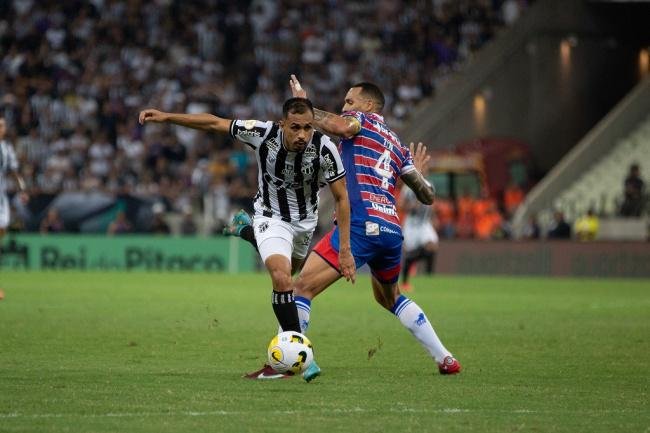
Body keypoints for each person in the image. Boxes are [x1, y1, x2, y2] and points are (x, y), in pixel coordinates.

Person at [237, 77, 460, 378]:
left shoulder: (360, 121)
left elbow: (341, 127)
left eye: (349, 102)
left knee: (301, 287)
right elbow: (428, 195)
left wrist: (305, 109)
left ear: (369, 106)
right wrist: (419, 176)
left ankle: (285, 364)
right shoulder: (396, 143)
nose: (345, 108)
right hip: (391, 230)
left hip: (360, 223)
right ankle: (445, 358)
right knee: (389, 297)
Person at [139, 98, 355, 381]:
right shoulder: (262, 133)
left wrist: (345, 250)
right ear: (282, 125)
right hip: (270, 216)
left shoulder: (325, 148)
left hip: (305, 223)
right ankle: (300, 357)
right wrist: (167, 117)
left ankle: (245, 231)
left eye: (307, 128)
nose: (302, 134)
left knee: (290, 271)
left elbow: (342, 197)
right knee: (282, 279)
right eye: (295, 128)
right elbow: (215, 122)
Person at [398, 186, 439, 292]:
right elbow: (400, 205)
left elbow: (431, 204)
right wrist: (411, 207)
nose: (423, 169)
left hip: (424, 223)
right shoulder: (407, 188)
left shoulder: (429, 185)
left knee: (432, 246)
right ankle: (405, 282)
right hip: (411, 224)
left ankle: (428, 277)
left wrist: (434, 218)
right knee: (410, 252)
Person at [0, 116, 27, 245]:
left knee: (3, 226)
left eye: (2, 126)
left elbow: (15, 171)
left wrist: (22, 189)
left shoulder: (7, 148)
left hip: (1, 193)